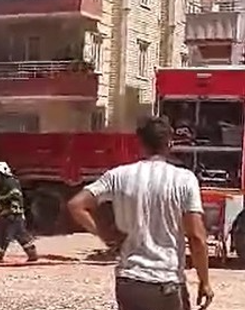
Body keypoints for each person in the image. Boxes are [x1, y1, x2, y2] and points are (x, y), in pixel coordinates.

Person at [68, 116, 213, 310]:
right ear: (169, 144)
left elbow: (76, 205)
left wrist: (105, 235)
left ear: (140, 143)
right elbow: (196, 237)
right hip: (167, 282)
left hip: (130, 281)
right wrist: (204, 281)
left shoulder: (118, 175)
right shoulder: (185, 179)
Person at [0, 161, 38, 262]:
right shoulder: (8, 182)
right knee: (20, 234)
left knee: (3, 234)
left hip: (12, 213)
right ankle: (32, 253)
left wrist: (1, 199)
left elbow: (15, 195)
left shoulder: (10, 182)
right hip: (13, 214)